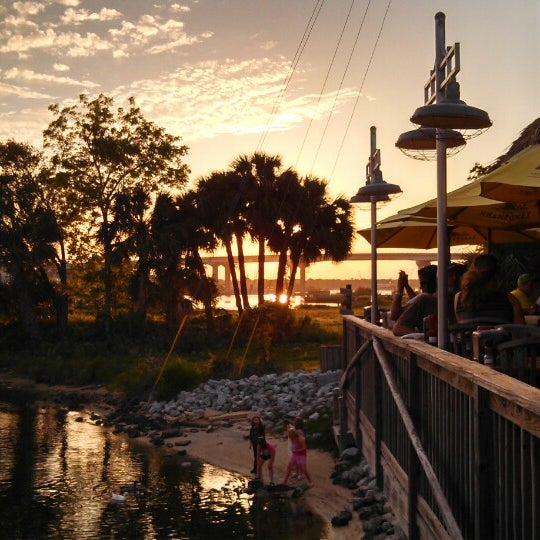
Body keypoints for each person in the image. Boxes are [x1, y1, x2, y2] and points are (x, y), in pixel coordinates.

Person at [454, 254, 524, 325]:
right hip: (499, 336)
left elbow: (460, 327)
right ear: (496, 276)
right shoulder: (510, 300)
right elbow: (521, 331)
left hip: (468, 336)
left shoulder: (459, 298)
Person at [392, 264, 438, 337]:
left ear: (432, 282)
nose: (420, 287)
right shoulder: (441, 299)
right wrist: (406, 286)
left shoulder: (425, 298)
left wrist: (400, 288)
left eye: (422, 283)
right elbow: (416, 302)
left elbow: (395, 315)